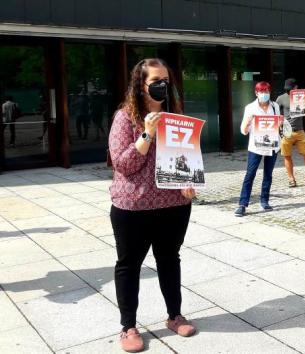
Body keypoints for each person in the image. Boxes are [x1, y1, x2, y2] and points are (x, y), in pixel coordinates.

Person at [108, 58, 197, 353]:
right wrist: (146, 133)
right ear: (141, 85)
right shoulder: (125, 118)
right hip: (132, 207)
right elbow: (122, 164)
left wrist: (189, 180)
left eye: (166, 81)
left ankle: (175, 315)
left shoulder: (175, 117)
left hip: (173, 206)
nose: (162, 86)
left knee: (169, 260)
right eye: (155, 81)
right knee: (129, 265)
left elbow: (186, 159)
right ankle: (128, 326)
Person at [235, 81, 282, 217]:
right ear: (256, 93)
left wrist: (280, 123)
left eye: (267, 91)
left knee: (268, 174)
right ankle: (242, 204)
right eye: (262, 92)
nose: (264, 94)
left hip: (272, 146)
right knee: (250, 174)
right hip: (255, 147)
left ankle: (264, 201)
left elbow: (278, 126)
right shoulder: (250, 108)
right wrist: (248, 122)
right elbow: (243, 131)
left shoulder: (275, 106)